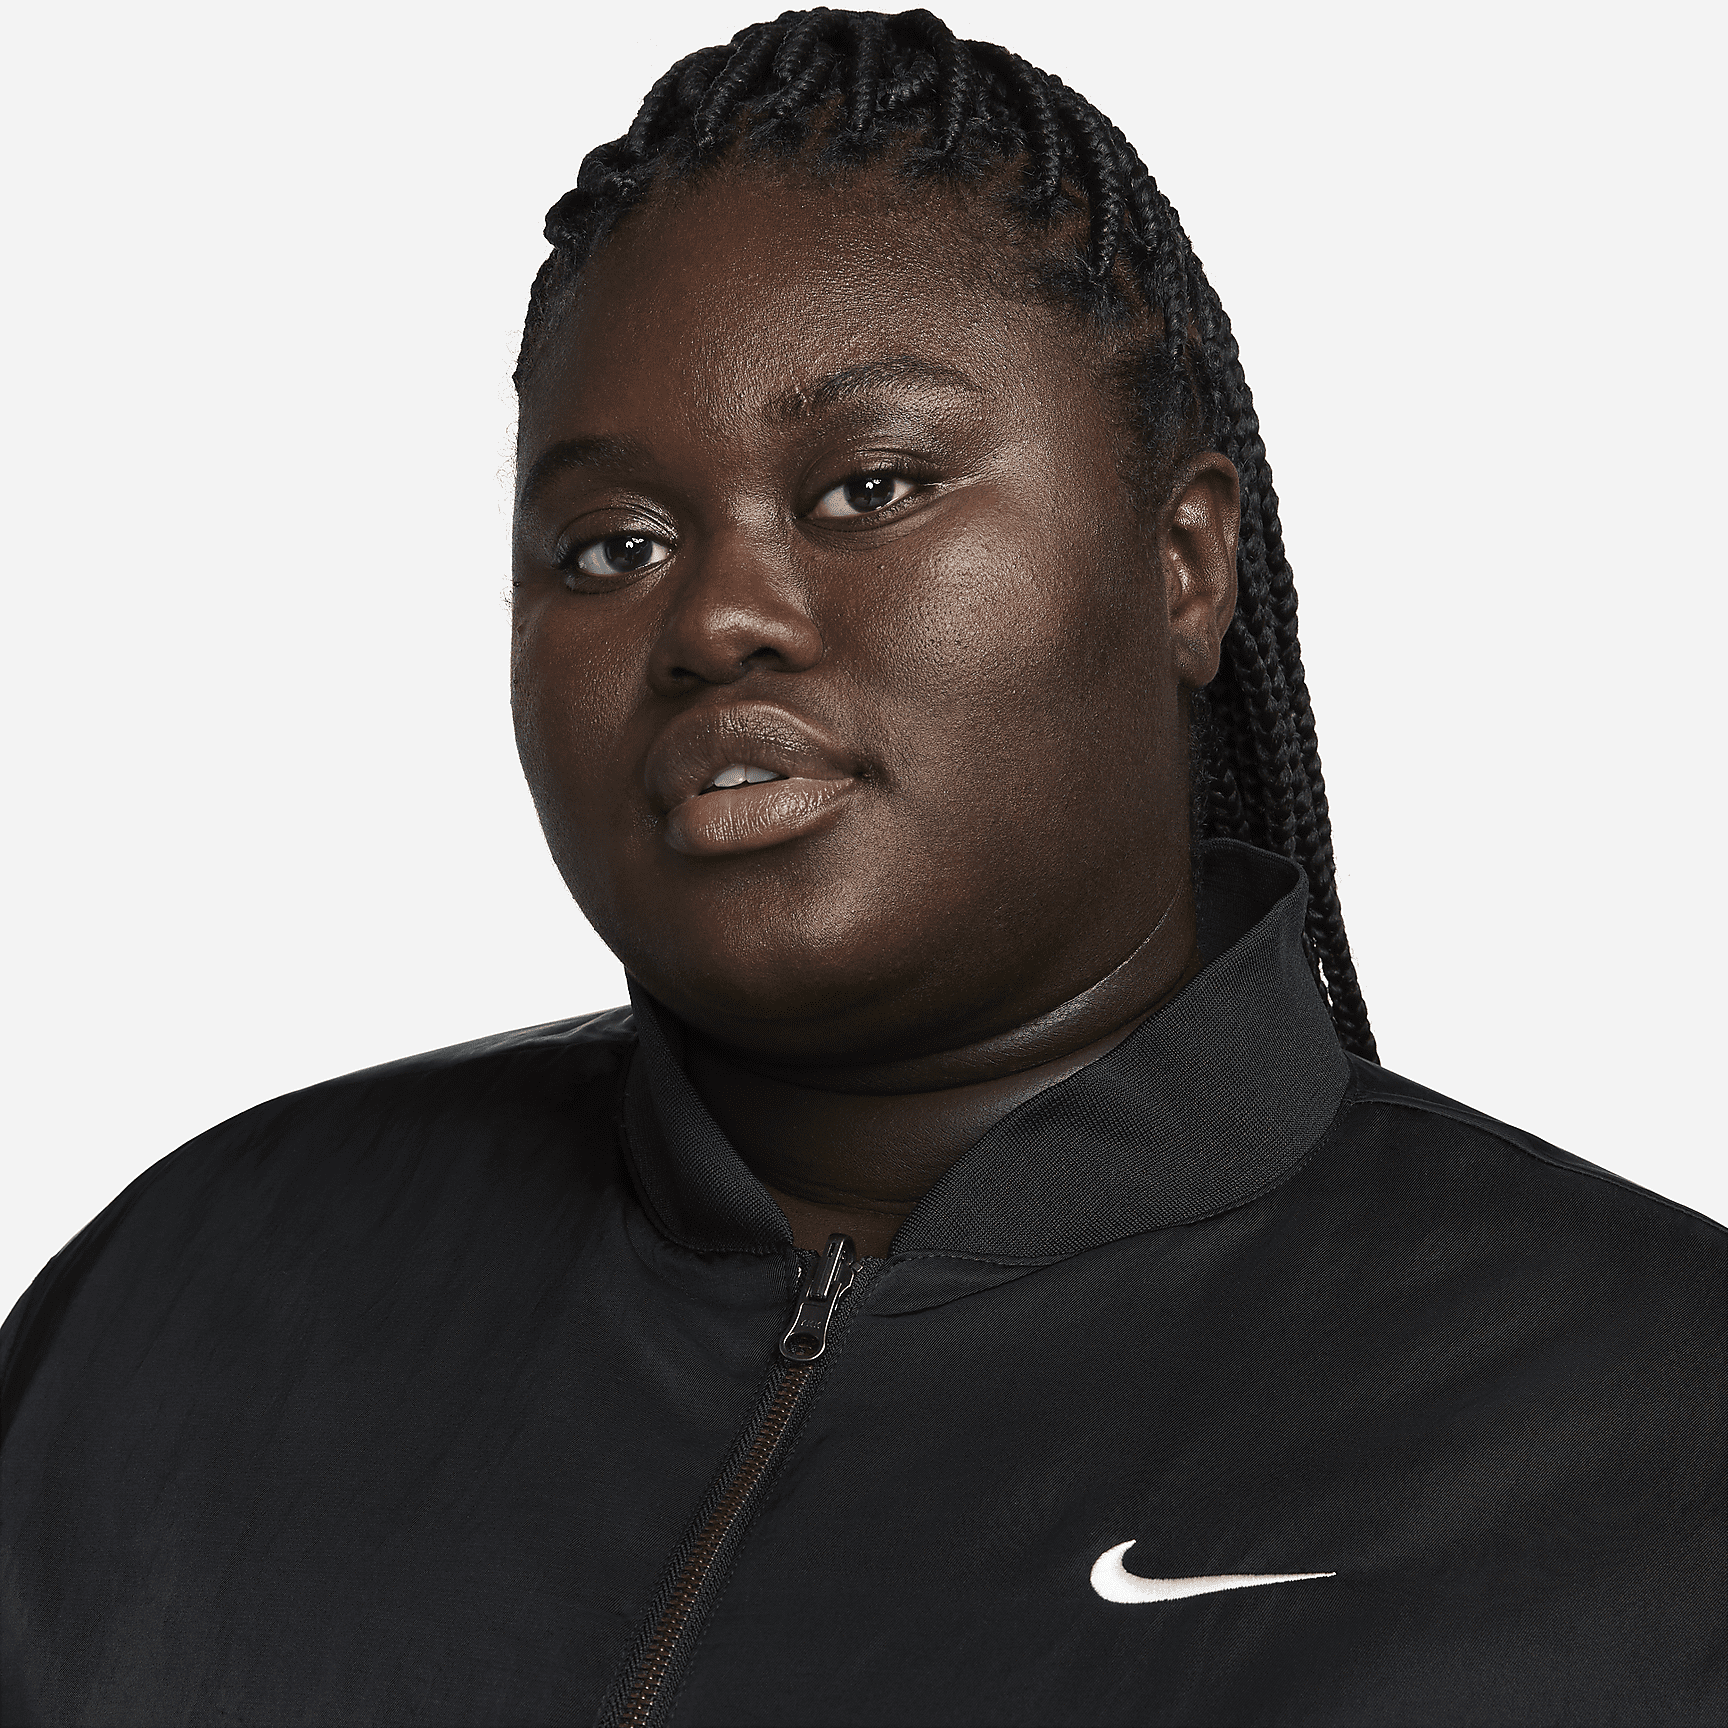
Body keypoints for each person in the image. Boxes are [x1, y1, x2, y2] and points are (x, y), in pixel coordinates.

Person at [2, 7, 1721, 1724]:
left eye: (871, 488)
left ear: (1185, 567)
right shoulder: (181, 1303)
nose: (720, 617)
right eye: (612, 545)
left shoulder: (1653, 1426)